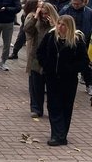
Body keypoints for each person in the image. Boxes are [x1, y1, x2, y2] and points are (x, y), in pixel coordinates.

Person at [37, 15, 90, 146]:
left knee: (66, 106)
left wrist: (70, 68)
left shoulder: (77, 41)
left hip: (69, 80)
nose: (60, 27)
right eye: (58, 23)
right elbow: (40, 52)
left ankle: (62, 135)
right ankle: (57, 134)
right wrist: (47, 65)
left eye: (63, 24)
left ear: (69, 26)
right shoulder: (50, 37)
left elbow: (84, 61)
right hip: (52, 77)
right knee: (53, 105)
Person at [23, 1, 58, 118]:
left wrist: (52, 25)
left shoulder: (56, 23)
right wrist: (35, 17)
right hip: (36, 57)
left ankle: (52, 108)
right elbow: (27, 29)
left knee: (52, 87)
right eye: (42, 13)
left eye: (46, 13)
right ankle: (36, 109)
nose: (44, 16)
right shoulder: (36, 21)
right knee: (36, 85)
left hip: (51, 59)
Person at [59, 0, 92, 95]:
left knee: (86, 64)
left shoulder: (89, 12)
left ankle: (89, 84)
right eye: (74, 4)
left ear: (83, 3)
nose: (75, 6)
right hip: (68, 40)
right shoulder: (65, 10)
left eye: (78, 4)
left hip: (83, 40)